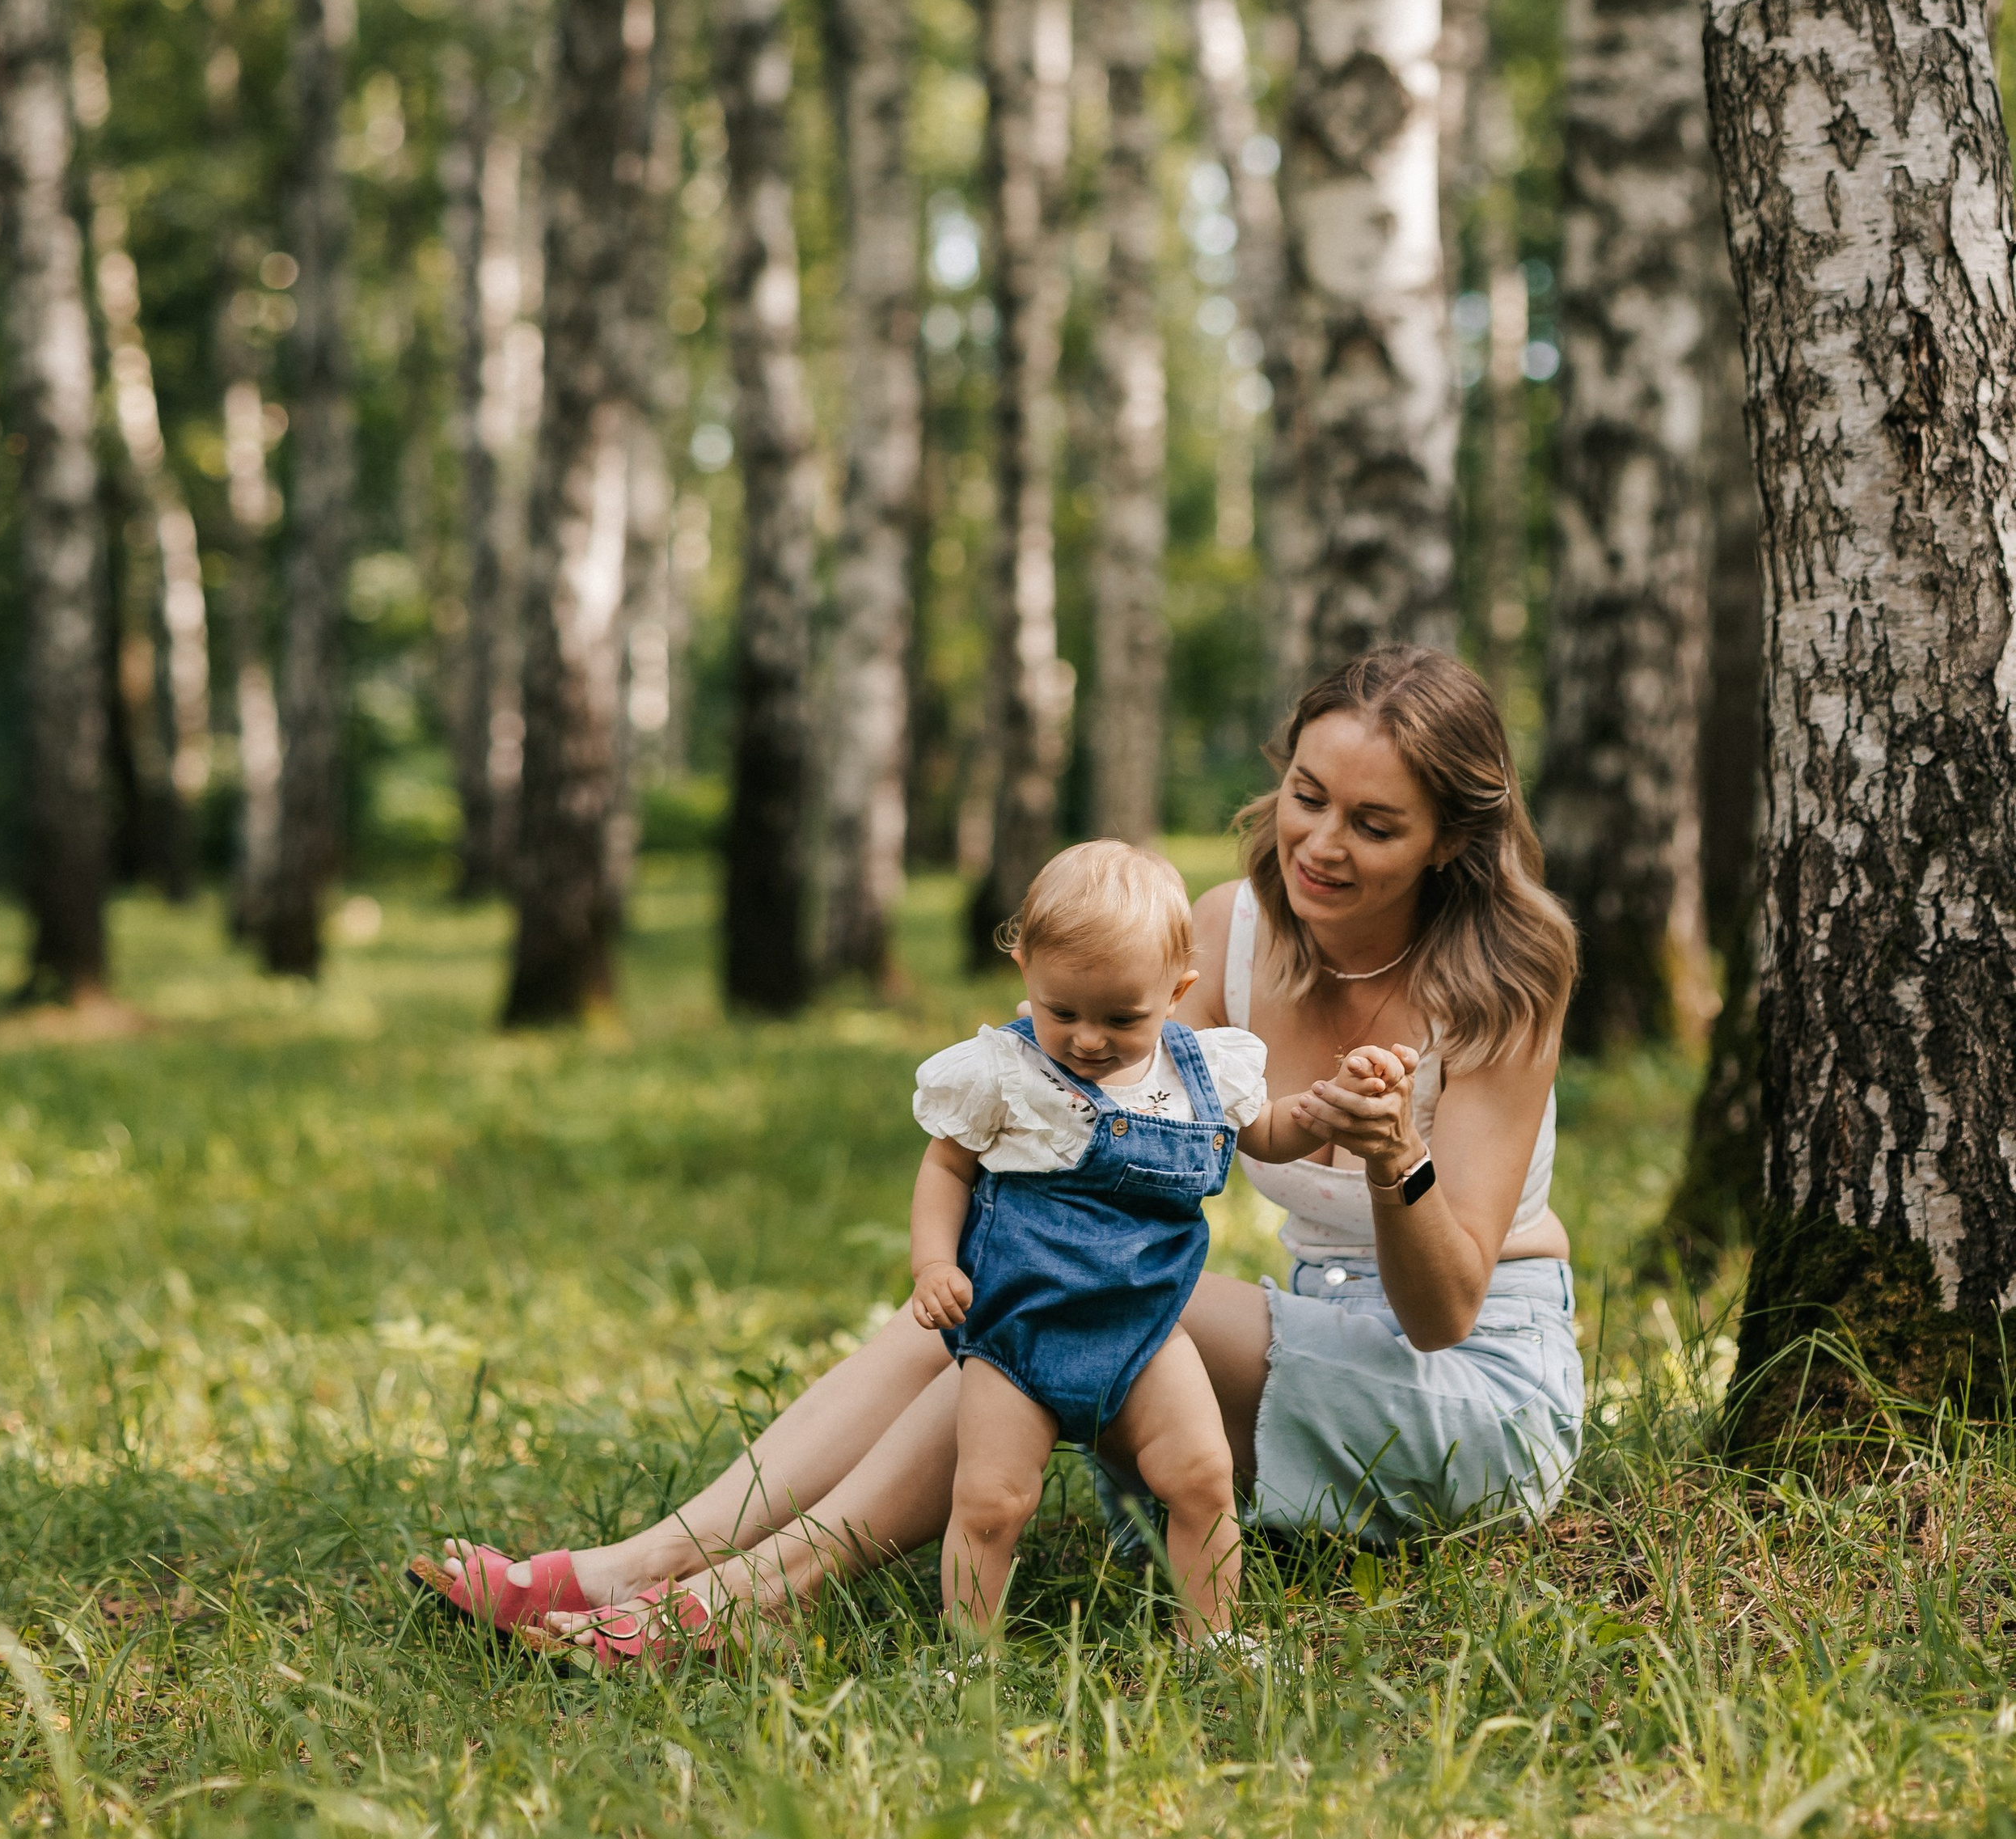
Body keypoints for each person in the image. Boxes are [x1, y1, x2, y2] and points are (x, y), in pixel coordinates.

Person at [416, 645, 1583, 1667]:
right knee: (990, 1294)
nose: (1322, 844)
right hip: (1307, 1331)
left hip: (1472, 1389)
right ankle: (652, 1565)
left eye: (1374, 826)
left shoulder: (1504, 983)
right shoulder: (1226, 933)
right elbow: (1083, 1084)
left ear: (1449, 842)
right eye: (1307, 796)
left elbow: (1442, 1314)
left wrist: (1396, 1162)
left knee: (1042, 1299)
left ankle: (741, 1599)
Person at [909, 836, 1371, 1644]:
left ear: (1177, 990)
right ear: (1025, 970)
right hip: (1020, 1330)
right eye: (1062, 1012)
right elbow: (946, 1170)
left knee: (1200, 1478)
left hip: (1146, 1331)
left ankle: (1211, 1638)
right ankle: (968, 1661)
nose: (1088, 1039)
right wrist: (933, 1263)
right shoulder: (1002, 1074)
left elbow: (1261, 1132)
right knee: (991, 1500)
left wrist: (1322, 1113)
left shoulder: (1199, 1073)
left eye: (1122, 1017)